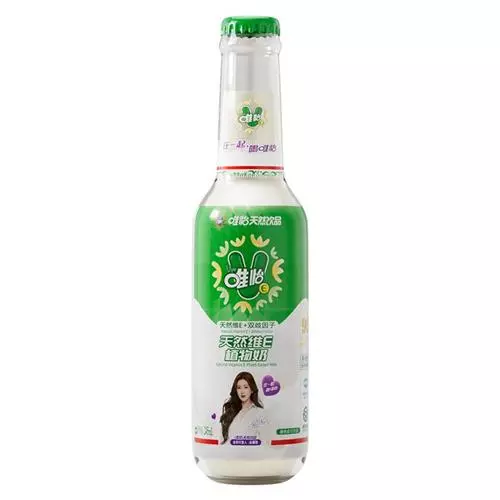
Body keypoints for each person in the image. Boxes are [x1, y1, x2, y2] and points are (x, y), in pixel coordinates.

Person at [220, 372, 269, 445]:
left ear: (252, 389)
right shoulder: (231, 411)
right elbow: (222, 440)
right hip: (228, 450)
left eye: (246, 387)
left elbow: (265, 441)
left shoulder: (260, 413)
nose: (242, 391)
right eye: (239, 388)